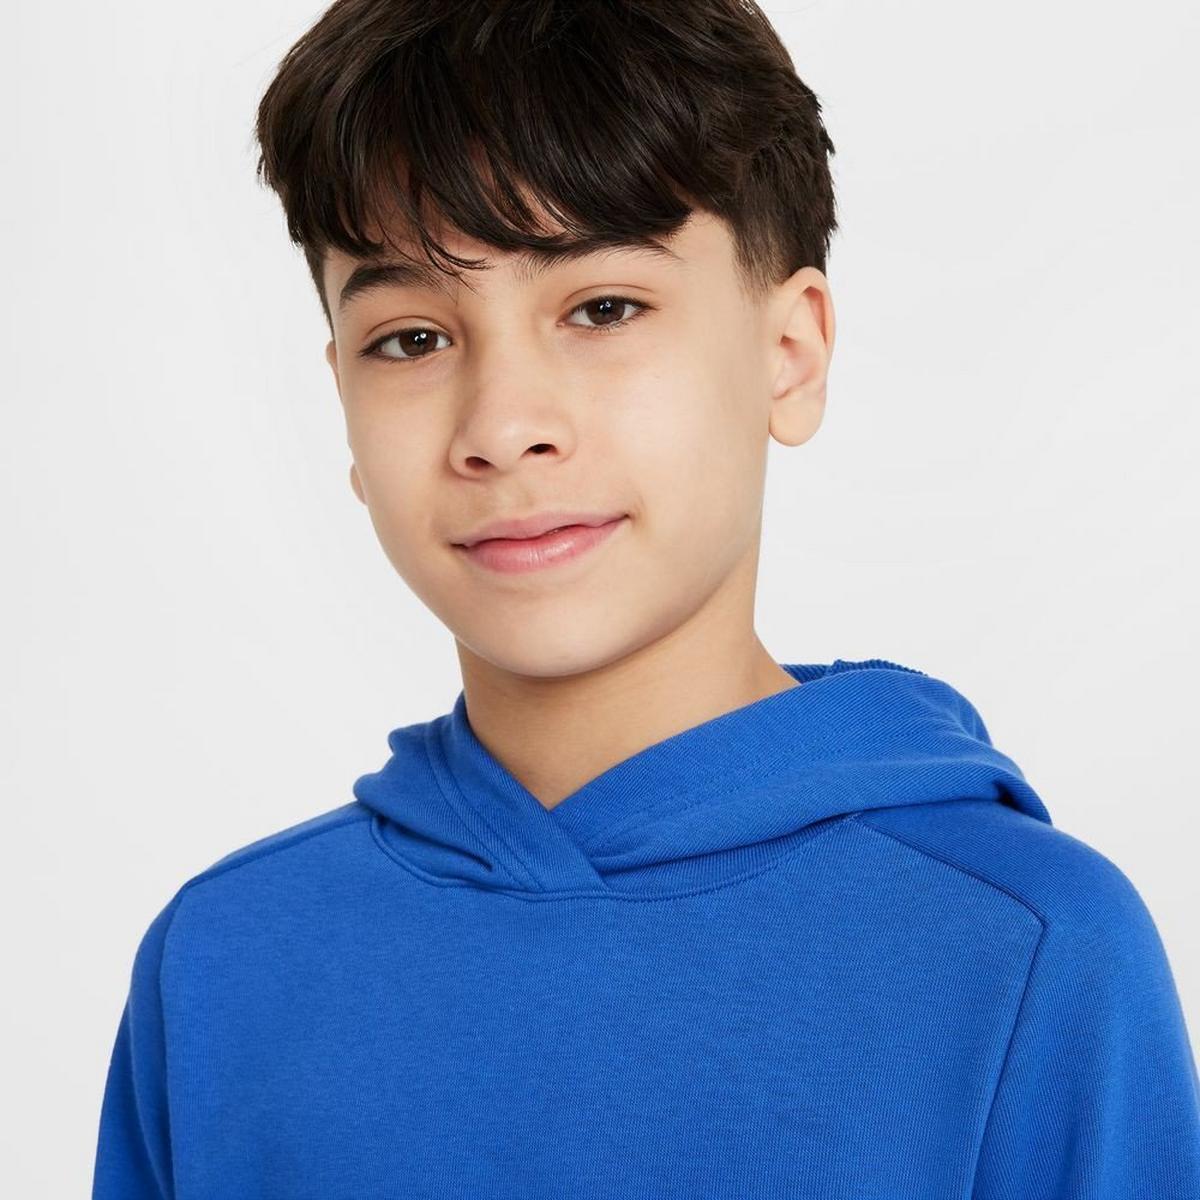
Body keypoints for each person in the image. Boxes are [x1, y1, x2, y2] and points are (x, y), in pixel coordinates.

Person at [91, 1, 1200, 1196]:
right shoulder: (220, 962)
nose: (504, 425)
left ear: (790, 352)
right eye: (410, 339)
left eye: (603, 309)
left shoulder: (1027, 948)